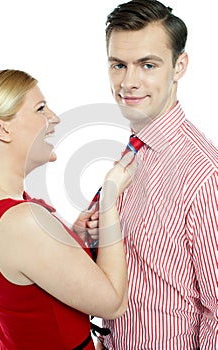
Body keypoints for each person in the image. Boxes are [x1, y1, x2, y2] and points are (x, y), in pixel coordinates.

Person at [83, 1, 217, 349]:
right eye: (119, 65)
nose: (128, 82)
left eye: (147, 65)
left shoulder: (203, 175)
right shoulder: (134, 148)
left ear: (179, 66)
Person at [0, 69, 138, 349]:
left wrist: (71, 239)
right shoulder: (21, 222)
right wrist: (109, 201)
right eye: (41, 109)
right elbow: (113, 303)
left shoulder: (1, 211)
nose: (54, 118)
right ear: (0, 128)